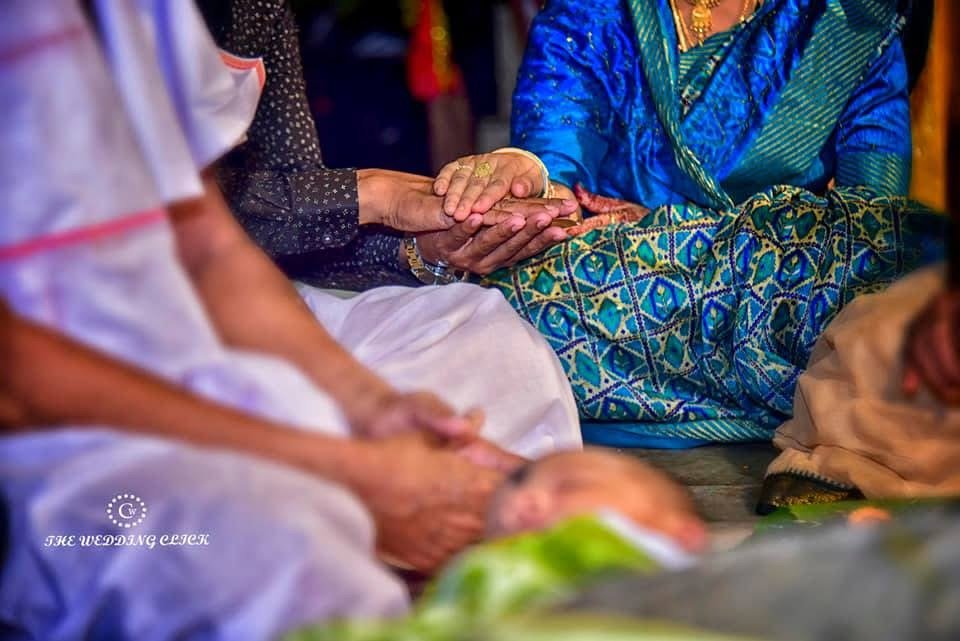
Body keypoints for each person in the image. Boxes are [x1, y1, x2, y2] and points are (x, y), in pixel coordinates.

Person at [0, 2, 577, 639]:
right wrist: (352, 470)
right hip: (61, 410)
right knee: (285, 542)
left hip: (192, 334)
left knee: (483, 343)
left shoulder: (156, 15)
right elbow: (21, 378)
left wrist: (373, 407)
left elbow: (210, 246)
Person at [423, 0, 945, 447]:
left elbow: (871, 219)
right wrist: (531, 178)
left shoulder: (847, 22)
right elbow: (557, 170)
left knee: (901, 271)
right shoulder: (595, 11)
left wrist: (679, 227)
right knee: (509, 307)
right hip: (617, 279)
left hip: (776, 279)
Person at [195, 0, 575, 291]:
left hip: (242, 286)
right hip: (173, 308)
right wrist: (377, 193)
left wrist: (423, 250)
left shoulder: (262, 9)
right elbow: (181, 209)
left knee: (487, 332)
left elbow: (298, 229)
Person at [758, 28, 960, 511]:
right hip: (656, 255)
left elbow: (872, 207)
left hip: (795, 260)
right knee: (881, 335)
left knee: (884, 339)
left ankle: (861, 464)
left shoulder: (853, 22)